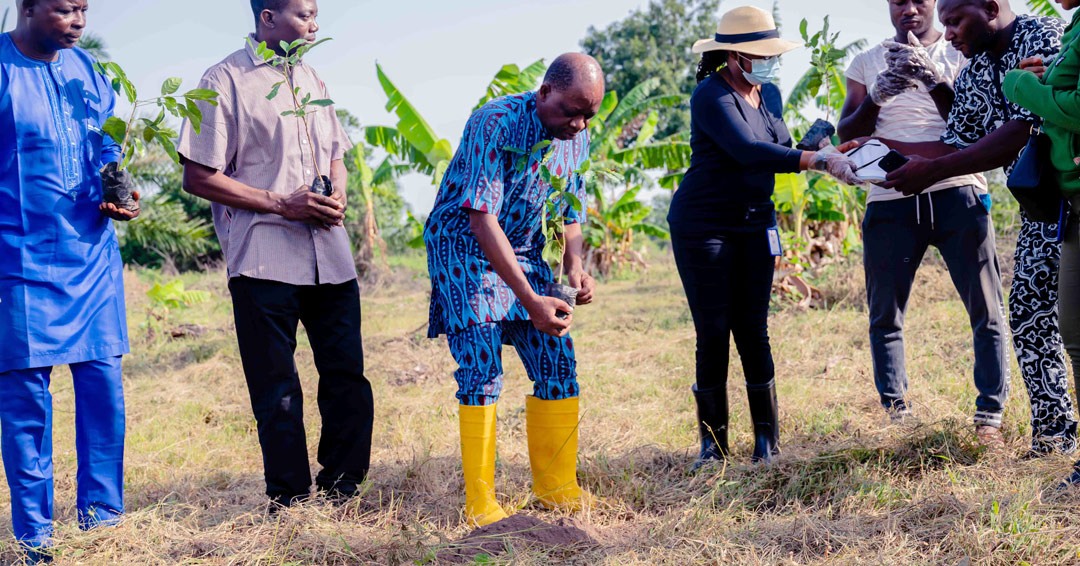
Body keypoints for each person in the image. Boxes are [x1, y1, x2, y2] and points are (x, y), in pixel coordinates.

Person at [177, 0, 373, 508]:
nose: (314, 23)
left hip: (329, 254)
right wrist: (280, 204)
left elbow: (336, 153)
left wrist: (339, 193)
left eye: (315, 14)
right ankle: (289, 500)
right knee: (276, 386)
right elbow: (198, 175)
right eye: (304, 13)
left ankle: (345, 489)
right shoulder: (222, 81)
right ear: (267, 18)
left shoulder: (312, 79)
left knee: (347, 375)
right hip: (263, 257)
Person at [672, 6, 863, 469]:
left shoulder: (769, 94)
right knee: (714, 332)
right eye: (761, 54)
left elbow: (782, 145)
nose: (770, 62)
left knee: (753, 330)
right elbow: (748, 151)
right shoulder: (711, 96)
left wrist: (827, 148)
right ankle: (712, 449)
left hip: (756, 222)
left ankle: (766, 444)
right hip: (705, 226)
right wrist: (816, 162)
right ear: (735, 55)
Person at [423, 53, 602, 527]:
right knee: (482, 369)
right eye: (570, 111)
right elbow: (480, 217)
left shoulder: (575, 138)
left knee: (558, 361)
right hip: (463, 247)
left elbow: (571, 208)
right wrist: (530, 301)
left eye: (589, 115)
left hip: (523, 250)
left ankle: (556, 487)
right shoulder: (494, 123)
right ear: (544, 93)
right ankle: (481, 502)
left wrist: (575, 265)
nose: (579, 124)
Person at [882, 0, 1067, 453]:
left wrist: (933, 172)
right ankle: (1054, 437)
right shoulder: (975, 69)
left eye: (954, 21)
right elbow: (958, 141)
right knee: (1027, 312)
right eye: (944, 24)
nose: (948, 35)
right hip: (1043, 213)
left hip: (1072, 193)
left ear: (989, 7)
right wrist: (879, 154)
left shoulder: (1043, 36)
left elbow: (1024, 130)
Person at [838, 0, 1015, 448]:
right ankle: (898, 415)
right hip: (889, 197)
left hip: (959, 191)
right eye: (900, 1)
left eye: (920, 0)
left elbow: (974, 128)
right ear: (889, 6)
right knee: (885, 314)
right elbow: (847, 134)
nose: (911, 9)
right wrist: (879, 93)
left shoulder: (963, 47)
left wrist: (933, 79)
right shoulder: (866, 61)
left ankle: (989, 416)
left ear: (935, 3)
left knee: (986, 308)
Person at [0, 0, 137, 558]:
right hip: (19, 260)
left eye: (84, 9)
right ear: (27, 8)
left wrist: (119, 184)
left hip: (92, 253)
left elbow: (105, 143)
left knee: (103, 387)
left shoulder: (88, 70)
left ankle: (103, 523)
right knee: (26, 400)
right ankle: (35, 538)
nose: (79, 21)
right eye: (64, 9)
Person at [1003, 0, 1080, 479]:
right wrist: (1050, 75)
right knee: (1074, 334)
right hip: (1073, 208)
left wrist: (1024, 86)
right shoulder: (1074, 25)